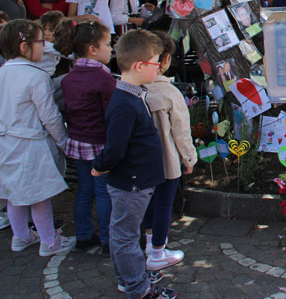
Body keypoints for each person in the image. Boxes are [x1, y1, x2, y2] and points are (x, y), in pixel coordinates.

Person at [90, 30, 174, 299]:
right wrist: (100, 165)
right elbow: (115, 147)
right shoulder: (124, 102)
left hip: (138, 180)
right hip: (132, 183)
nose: (158, 66)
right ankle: (139, 288)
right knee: (126, 237)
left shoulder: (133, 93)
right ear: (139, 66)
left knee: (123, 234)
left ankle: (129, 280)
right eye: (155, 62)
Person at [0, 19, 75, 256]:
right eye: (41, 42)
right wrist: (64, 142)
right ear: (24, 47)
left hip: (5, 142)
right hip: (31, 144)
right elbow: (50, 115)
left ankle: (20, 236)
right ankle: (49, 241)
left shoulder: (2, 73)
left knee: (14, 192)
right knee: (39, 195)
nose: (45, 47)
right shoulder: (36, 76)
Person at [54, 19, 116, 252]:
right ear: (93, 49)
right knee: (103, 193)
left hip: (78, 142)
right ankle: (109, 240)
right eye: (107, 45)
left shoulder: (70, 78)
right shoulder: (102, 78)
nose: (111, 49)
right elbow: (111, 114)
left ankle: (83, 234)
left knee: (84, 190)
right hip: (100, 143)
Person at [143, 31, 196, 273]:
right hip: (166, 160)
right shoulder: (169, 92)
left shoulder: (131, 89)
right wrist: (189, 159)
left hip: (140, 162)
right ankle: (157, 251)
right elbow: (181, 132)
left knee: (146, 203)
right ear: (164, 60)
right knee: (164, 204)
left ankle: (147, 242)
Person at [37, 11, 66, 76]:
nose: (46, 33)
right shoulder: (42, 44)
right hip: (39, 77)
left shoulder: (59, 42)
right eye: (44, 29)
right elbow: (69, 53)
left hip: (49, 75)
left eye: (51, 30)